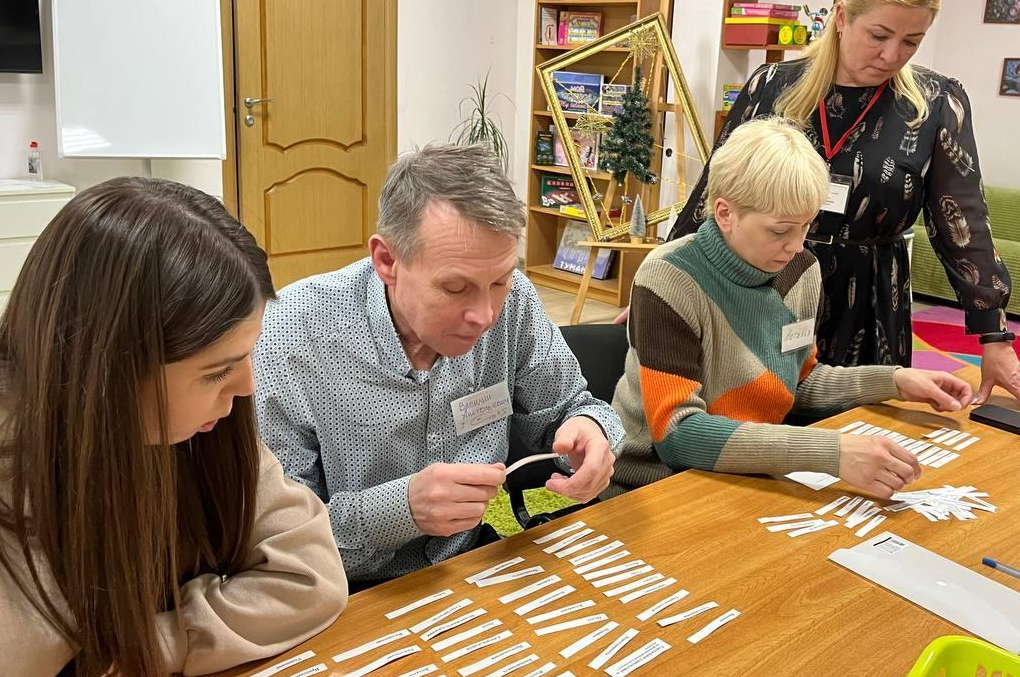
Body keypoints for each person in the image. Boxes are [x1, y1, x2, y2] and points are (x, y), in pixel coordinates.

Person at [0, 178, 348, 677]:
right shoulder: (23, 464)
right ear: (107, 370)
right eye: (215, 372)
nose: (247, 387)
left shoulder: (197, 425)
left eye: (245, 355)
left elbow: (310, 575)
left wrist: (153, 646)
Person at [663, 0, 1020, 404]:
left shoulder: (934, 105)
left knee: (860, 439)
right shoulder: (772, 88)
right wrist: (667, 279)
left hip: (869, 299)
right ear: (841, 16)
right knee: (747, 427)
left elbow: (962, 221)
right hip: (763, 285)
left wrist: (994, 336)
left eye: (911, 41)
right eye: (879, 34)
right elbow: (715, 191)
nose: (893, 55)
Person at [254, 144, 623, 586]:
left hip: (470, 565)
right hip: (344, 592)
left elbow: (569, 406)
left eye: (500, 280)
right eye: (455, 288)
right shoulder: (290, 336)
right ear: (387, 261)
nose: (485, 314)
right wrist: (400, 510)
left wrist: (592, 430)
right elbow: (278, 537)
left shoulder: (515, 300)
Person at [605, 118, 974, 500]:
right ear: (725, 213)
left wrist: (895, 381)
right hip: (651, 486)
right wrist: (830, 452)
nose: (797, 245)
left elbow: (797, 383)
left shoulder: (801, 269)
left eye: (806, 226)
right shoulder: (669, 277)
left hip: (742, 475)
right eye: (780, 231)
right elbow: (679, 436)